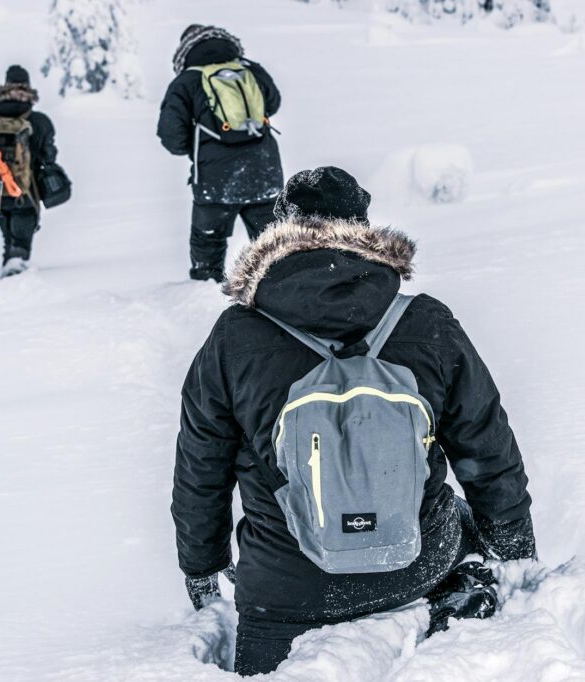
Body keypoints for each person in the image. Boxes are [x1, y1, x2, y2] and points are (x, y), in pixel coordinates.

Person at [172, 167, 536, 676]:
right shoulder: (425, 320)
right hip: (417, 565)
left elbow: (200, 469)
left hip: (285, 591)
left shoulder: (235, 338)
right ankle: (457, 596)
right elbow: (485, 445)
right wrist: (515, 545)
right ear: (363, 230)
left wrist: (201, 566)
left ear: (279, 234)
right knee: (453, 508)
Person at [157, 25, 284, 283]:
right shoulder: (250, 69)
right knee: (276, 247)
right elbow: (273, 103)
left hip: (215, 181)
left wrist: (201, 147)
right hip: (264, 171)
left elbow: (171, 137)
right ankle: (284, 294)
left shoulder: (186, 81)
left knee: (208, 244)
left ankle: (206, 295)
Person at [0, 65, 58, 277]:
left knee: (8, 238)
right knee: (21, 241)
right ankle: (15, 278)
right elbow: (49, 156)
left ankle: (7, 274)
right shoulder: (39, 121)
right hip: (27, 191)